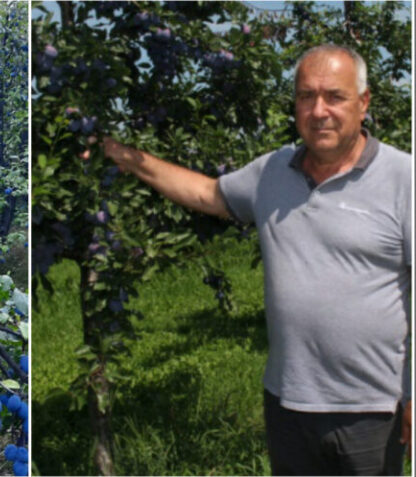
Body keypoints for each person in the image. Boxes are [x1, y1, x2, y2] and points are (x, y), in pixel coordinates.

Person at [88, 44, 412, 475]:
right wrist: (125, 156)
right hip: (287, 403)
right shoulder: (273, 172)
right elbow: (207, 194)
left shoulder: (403, 178)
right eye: (305, 96)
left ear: (363, 103)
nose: (319, 111)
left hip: (372, 410)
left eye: (335, 96)